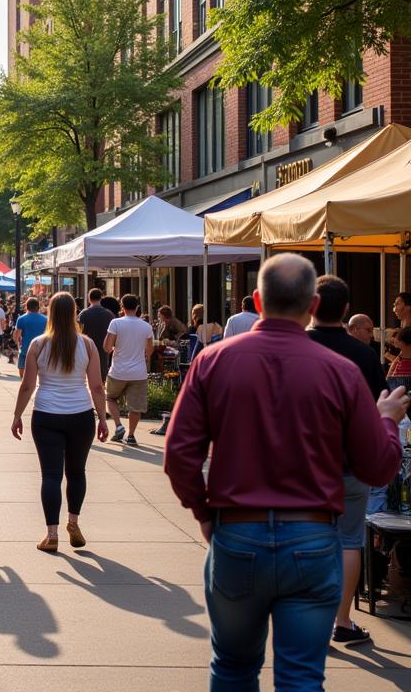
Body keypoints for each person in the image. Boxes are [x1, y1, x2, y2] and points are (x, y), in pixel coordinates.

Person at [165, 253, 407, 691]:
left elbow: (180, 453)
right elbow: (377, 465)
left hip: (236, 532)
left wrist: (204, 512)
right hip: (312, 538)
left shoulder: (212, 362)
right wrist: (387, 418)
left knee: (233, 668)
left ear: (257, 300)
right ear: (313, 304)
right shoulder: (343, 372)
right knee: (301, 676)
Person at [306, 274, 387, 647]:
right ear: (347, 310)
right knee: (348, 540)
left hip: (302, 464)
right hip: (351, 462)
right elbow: (378, 407)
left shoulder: (295, 349)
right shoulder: (365, 356)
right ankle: (342, 621)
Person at [11, 292, 108, 552]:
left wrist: (17, 415)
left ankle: (51, 534)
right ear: (75, 312)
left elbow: (27, 385)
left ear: (50, 313)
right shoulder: (87, 345)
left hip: (46, 414)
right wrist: (103, 418)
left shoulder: (38, 344)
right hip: (81, 414)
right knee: (77, 472)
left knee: (51, 475)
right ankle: (73, 523)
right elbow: (97, 386)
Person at [103, 293, 153, 446]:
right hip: (138, 372)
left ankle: (118, 426)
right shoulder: (146, 326)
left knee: (110, 398)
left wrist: (114, 348)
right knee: (135, 406)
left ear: (122, 307)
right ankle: (131, 435)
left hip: (118, 370)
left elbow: (106, 347)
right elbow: (149, 350)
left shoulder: (116, 323)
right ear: (137, 307)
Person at [79, 288, 115, 381]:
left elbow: (78, 331)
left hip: (86, 348)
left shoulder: (84, 313)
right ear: (101, 298)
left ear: (89, 298)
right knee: (102, 372)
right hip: (103, 348)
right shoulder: (109, 314)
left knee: (86, 374)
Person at [14, 297, 48, 377]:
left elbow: (17, 335)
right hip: (42, 349)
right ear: (38, 306)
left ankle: (24, 384)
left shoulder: (21, 319)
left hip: (26, 349)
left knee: (22, 370)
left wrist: (17, 344)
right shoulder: (46, 319)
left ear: (26, 306)